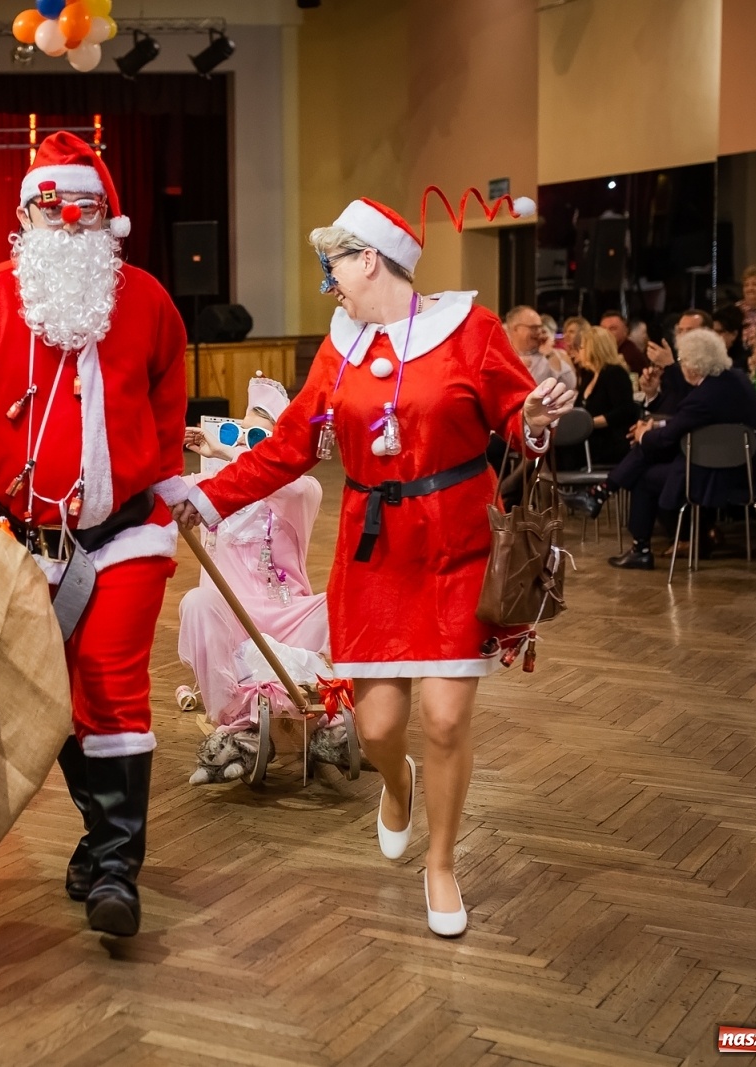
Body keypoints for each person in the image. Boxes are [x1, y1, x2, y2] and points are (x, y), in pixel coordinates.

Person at [174, 189, 575, 937]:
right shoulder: (340, 348)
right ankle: (398, 782)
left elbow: (520, 421)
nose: (328, 285)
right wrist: (209, 498)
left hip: (456, 548)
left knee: (446, 716)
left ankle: (443, 863)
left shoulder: (470, 332)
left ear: (370, 260)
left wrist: (539, 421)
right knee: (381, 726)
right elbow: (292, 442)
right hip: (373, 551)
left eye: (334, 268)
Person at [0, 131, 187, 938]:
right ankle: (100, 841)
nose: (66, 227)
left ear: (110, 222)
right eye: (49, 212)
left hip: (125, 535)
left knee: (111, 680)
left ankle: (119, 869)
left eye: (83, 213)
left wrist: (169, 479)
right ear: (24, 216)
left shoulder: (151, 304)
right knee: (51, 691)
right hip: (17, 541)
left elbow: (168, 404)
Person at [177, 374, 332, 783]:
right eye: (237, 428)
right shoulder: (207, 487)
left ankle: (332, 711)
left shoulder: (304, 490)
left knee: (346, 602)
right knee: (195, 602)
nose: (244, 439)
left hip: (288, 618)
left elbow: (286, 482)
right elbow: (163, 492)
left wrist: (227, 451)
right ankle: (234, 721)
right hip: (234, 620)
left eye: (260, 435)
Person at [606, 328, 756, 570]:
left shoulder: (705, 395)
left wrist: (644, 434)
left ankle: (640, 548)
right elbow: (688, 420)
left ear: (693, 367)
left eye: (682, 361)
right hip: (750, 470)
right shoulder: (737, 380)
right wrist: (653, 430)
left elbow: (669, 436)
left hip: (719, 477)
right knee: (657, 457)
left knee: (645, 475)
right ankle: (605, 492)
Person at [562, 324, 638, 467]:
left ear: (594, 349)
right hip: (587, 438)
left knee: (556, 450)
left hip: (608, 440)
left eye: (583, 347)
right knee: (547, 446)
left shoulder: (615, 373)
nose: (580, 351)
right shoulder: (589, 375)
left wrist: (589, 423)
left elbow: (624, 411)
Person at [640, 308, 708, 417]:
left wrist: (669, 366)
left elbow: (694, 399)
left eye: (689, 330)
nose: (684, 336)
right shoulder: (677, 364)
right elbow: (669, 407)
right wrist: (651, 393)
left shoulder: (712, 363)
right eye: (680, 331)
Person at [503, 305, 576, 391]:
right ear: (516, 329)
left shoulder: (550, 355)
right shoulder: (501, 355)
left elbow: (570, 385)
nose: (538, 332)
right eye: (534, 328)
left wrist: (550, 354)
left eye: (540, 327)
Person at [713, 304, 750, 371]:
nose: (713, 336)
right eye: (712, 331)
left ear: (734, 334)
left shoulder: (744, 362)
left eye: (719, 332)